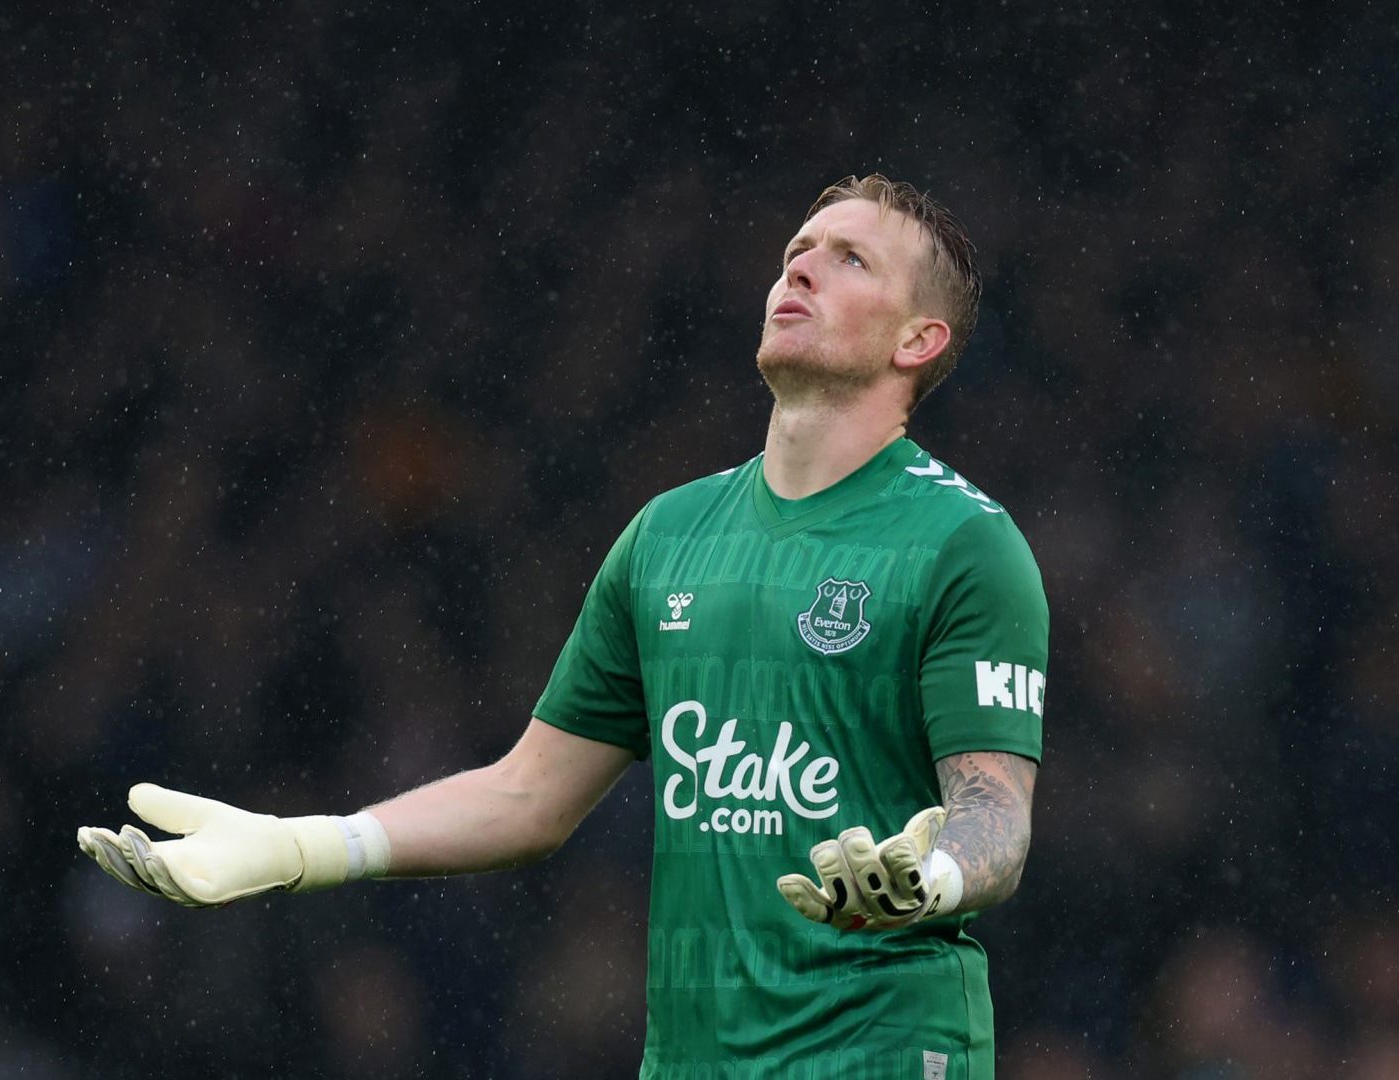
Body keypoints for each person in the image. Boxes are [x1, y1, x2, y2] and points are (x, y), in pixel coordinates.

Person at [78, 174, 1048, 1079]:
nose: (799, 266)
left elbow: (997, 817)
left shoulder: (962, 543)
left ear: (917, 341)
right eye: (800, 247)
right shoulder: (668, 535)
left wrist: (934, 875)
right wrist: (307, 847)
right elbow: (529, 795)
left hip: (882, 1050)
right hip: (690, 1058)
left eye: (850, 259)